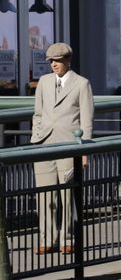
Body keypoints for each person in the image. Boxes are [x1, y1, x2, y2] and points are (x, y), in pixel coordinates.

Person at [31, 43, 94, 255]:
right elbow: (38, 114)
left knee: (67, 195)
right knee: (44, 195)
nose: (53, 65)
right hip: (43, 144)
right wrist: (35, 138)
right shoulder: (44, 82)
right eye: (50, 61)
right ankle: (48, 239)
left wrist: (84, 150)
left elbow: (86, 120)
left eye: (57, 61)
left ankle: (68, 238)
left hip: (69, 145)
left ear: (68, 61)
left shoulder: (82, 84)